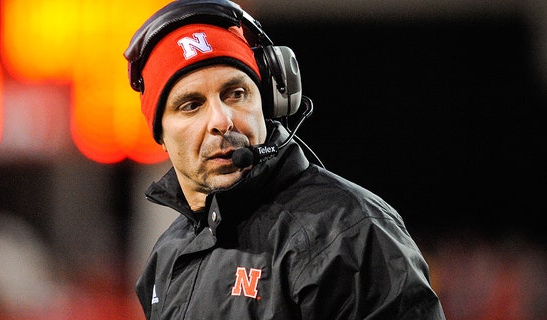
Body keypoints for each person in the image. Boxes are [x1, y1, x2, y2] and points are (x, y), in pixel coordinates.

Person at [123, 0, 446, 319]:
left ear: (268, 103)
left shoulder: (348, 232)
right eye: (192, 105)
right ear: (160, 133)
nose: (221, 120)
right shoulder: (167, 256)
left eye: (236, 94)